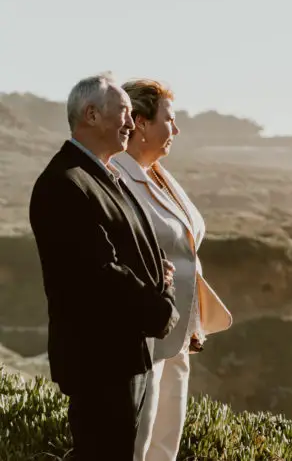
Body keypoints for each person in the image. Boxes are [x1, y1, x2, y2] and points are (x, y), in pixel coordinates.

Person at [28, 73, 179, 461]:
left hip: (123, 357)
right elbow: (99, 274)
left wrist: (159, 276)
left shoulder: (98, 175)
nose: (131, 123)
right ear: (91, 115)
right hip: (100, 363)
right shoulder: (65, 183)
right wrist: (161, 306)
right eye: (124, 112)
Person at [110, 79, 233, 461]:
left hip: (179, 329)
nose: (176, 130)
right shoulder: (116, 176)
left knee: (165, 445)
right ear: (141, 123)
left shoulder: (161, 175)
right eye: (169, 120)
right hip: (144, 332)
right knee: (137, 442)